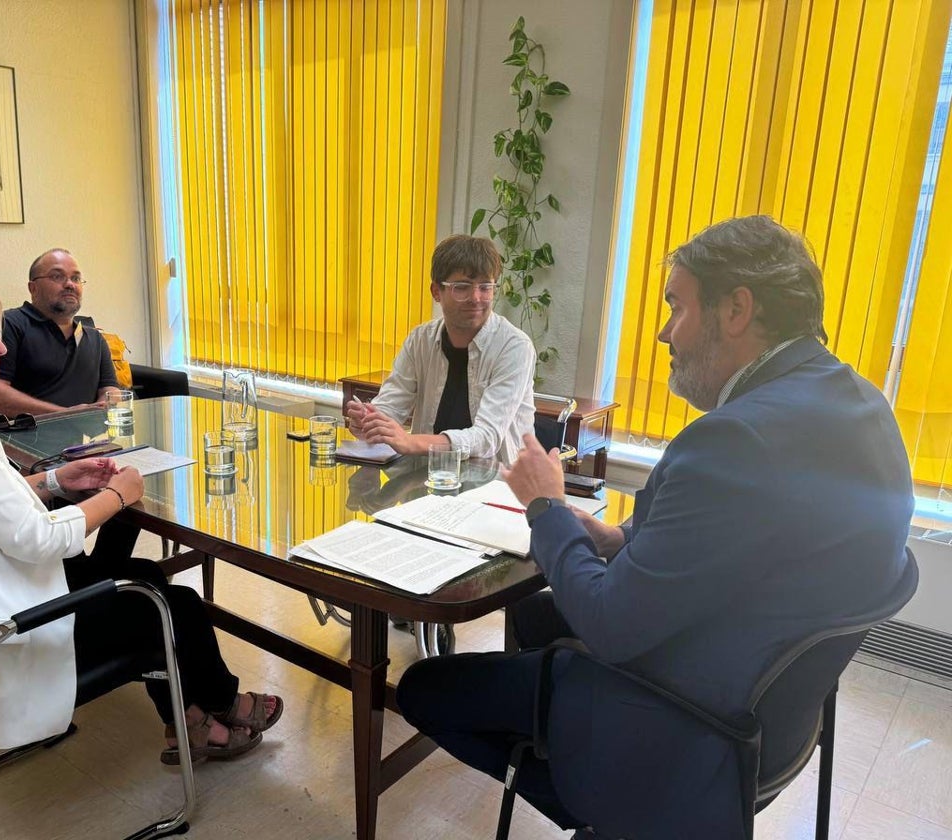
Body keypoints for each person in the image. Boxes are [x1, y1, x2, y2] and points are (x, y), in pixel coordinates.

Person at [395, 215, 916, 838]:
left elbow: (613, 626)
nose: (665, 332)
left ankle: (608, 809)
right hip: (777, 714)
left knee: (423, 689)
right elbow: (744, 543)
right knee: (535, 619)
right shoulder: (863, 406)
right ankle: (588, 768)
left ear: (736, 309)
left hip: (691, 725)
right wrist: (618, 540)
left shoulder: (734, 438)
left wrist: (546, 509)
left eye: (677, 306)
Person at [0, 282, 281, 764]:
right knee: (176, 603)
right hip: (13, 624)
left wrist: (57, 480)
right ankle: (226, 705)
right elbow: (38, 539)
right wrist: (119, 494)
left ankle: (190, 721)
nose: (0, 347)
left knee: (143, 579)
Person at [345, 234, 536, 463]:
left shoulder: (514, 347)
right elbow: (391, 407)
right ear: (436, 291)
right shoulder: (421, 340)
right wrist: (369, 420)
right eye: (462, 287)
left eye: (486, 287)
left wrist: (410, 441)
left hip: (496, 484)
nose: (476, 298)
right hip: (428, 477)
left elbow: (487, 438)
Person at [0, 248, 119, 416]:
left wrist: (102, 407)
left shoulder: (95, 338)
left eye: (76, 278)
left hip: (88, 437)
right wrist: (64, 415)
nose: (70, 284)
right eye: (57, 276)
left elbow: (111, 389)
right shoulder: (8, 324)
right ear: (33, 288)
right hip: (27, 438)